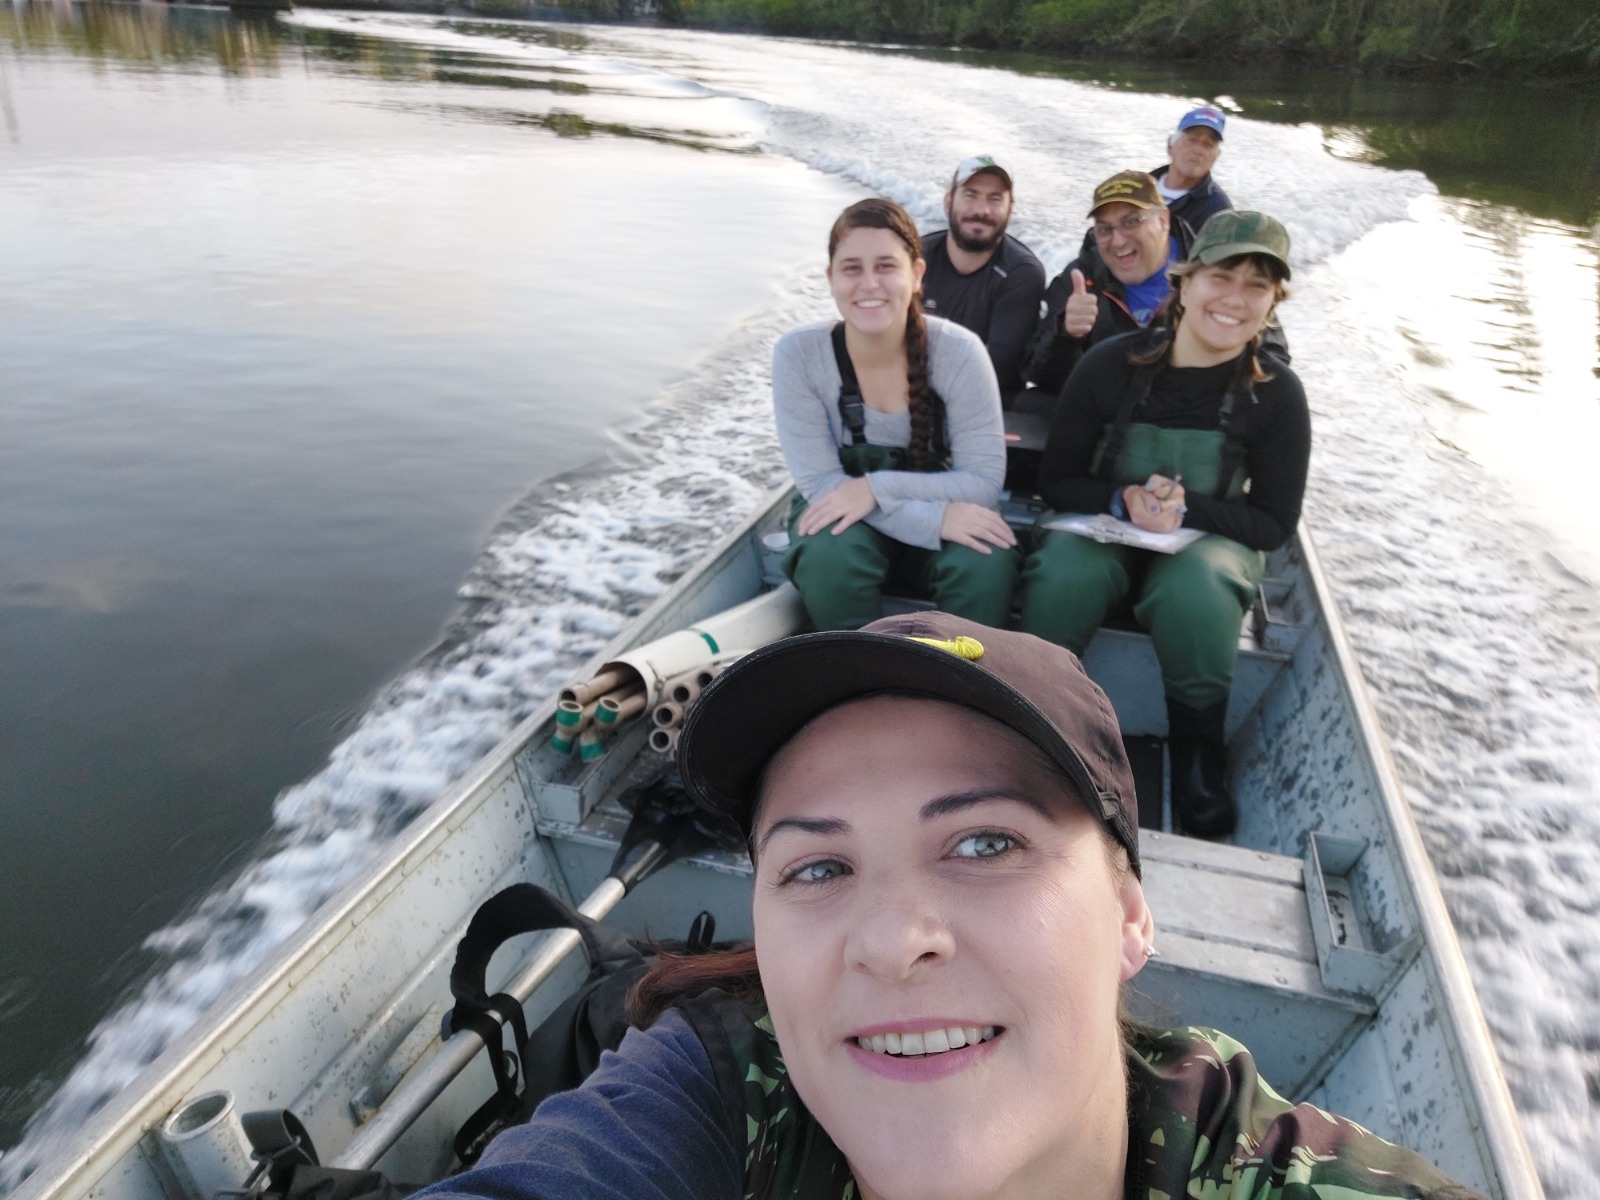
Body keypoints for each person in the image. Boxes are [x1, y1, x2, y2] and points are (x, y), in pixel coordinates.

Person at [416, 610, 1484, 1200]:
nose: (890, 943)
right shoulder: (724, 1075)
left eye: (985, 843)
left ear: (1127, 914)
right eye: (817, 869)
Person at [1020, 210, 1309, 839]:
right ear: (1184, 280)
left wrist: (1187, 512)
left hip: (1208, 548)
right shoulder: (1108, 366)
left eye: (1257, 286)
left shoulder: (1277, 395)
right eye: (1221, 276)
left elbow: (1273, 523)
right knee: (1066, 570)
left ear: (1273, 303)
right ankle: (1031, 726)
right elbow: (1057, 482)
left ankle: (1198, 753)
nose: (1235, 298)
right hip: (1104, 529)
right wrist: (1123, 497)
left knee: (1197, 589)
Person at [772, 197, 1019, 632]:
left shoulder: (960, 352)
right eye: (852, 268)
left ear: (917, 274)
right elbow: (822, 486)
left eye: (886, 265)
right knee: (827, 553)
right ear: (831, 279)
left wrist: (873, 487)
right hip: (849, 521)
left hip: (927, 506)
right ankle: (856, 684)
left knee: (987, 556)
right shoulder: (797, 354)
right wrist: (930, 518)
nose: (869, 284)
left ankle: (968, 689)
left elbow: (982, 482)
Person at [1023, 170, 1188, 401]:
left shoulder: (1206, 275)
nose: (1118, 240)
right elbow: (1041, 379)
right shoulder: (1080, 278)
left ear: (1163, 220)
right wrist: (1066, 335)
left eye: (1131, 222)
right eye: (1105, 229)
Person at [919, 155, 1047, 401]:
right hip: (911, 395)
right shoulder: (916, 258)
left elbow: (996, 370)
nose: (981, 210)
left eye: (995, 198)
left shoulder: (1022, 274)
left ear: (1010, 208)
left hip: (985, 404)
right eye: (970, 195)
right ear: (948, 202)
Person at [1153, 105, 1233, 238]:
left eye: (1208, 144)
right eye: (1191, 140)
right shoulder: (1138, 186)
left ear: (1216, 156)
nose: (1198, 150)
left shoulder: (1218, 211)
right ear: (1170, 146)